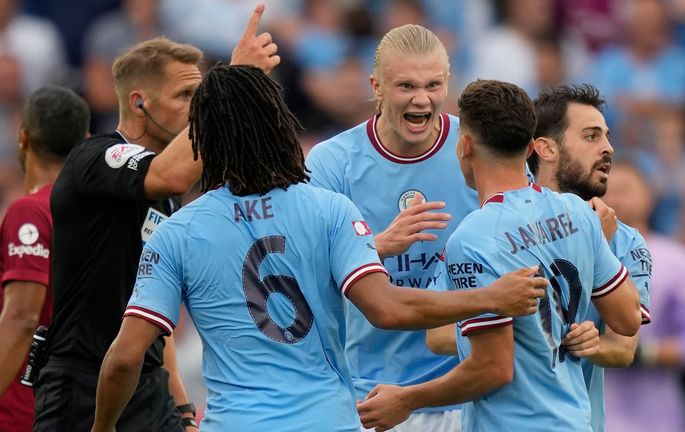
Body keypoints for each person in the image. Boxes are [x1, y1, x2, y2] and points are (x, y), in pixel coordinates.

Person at [91, 64, 548, 431]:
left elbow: (126, 357)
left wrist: (103, 427)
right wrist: (490, 297)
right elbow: (387, 309)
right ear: (278, 122)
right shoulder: (328, 209)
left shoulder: (179, 230)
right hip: (327, 418)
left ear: (202, 138)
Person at [34, 4, 281, 431]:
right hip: (82, 385)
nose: (196, 108)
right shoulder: (97, 157)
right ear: (139, 103)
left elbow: (154, 311)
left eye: (200, 96)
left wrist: (183, 408)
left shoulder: (164, 194)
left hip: (147, 385)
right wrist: (231, 87)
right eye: (186, 96)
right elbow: (170, 174)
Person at [357, 79, 641, 431]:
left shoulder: (474, 238)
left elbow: (492, 369)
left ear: (465, 146)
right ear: (529, 148)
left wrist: (407, 399)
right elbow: (628, 320)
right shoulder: (577, 212)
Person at [305, 23, 477, 432]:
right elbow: (301, 269)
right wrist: (375, 246)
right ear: (376, 86)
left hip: (466, 391)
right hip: (370, 394)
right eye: (406, 86)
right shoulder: (331, 162)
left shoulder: (475, 146)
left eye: (434, 84)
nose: (422, 99)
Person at [528, 84, 652, 432]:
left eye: (607, 136)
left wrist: (591, 345)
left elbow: (623, 349)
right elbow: (443, 337)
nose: (608, 147)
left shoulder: (626, 241)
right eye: (591, 136)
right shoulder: (499, 224)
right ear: (546, 148)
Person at [0, 86, 89, 432]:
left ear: (23, 137)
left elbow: (22, 317)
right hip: (74, 404)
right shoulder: (100, 212)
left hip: (22, 409)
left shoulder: (32, 212)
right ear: (85, 139)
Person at [602, 163, 685, 432]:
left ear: (649, 198)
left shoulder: (679, 259)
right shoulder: (580, 254)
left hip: (657, 420)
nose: (616, 198)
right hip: (592, 418)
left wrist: (639, 351)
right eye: (608, 189)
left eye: (626, 189)